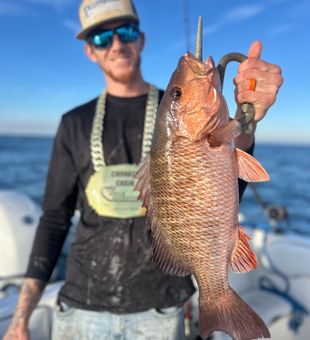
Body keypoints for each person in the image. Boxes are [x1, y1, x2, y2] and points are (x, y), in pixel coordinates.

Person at [3, 0, 283, 339]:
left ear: (141, 39)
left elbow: (221, 190)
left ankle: (217, 302)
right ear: (90, 51)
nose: (117, 44)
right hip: (80, 306)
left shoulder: (184, 110)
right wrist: (21, 318)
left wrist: (247, 119)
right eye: (102, 38)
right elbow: (54, 219)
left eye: (126, 31)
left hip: (161, 309)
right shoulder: (73, 123)